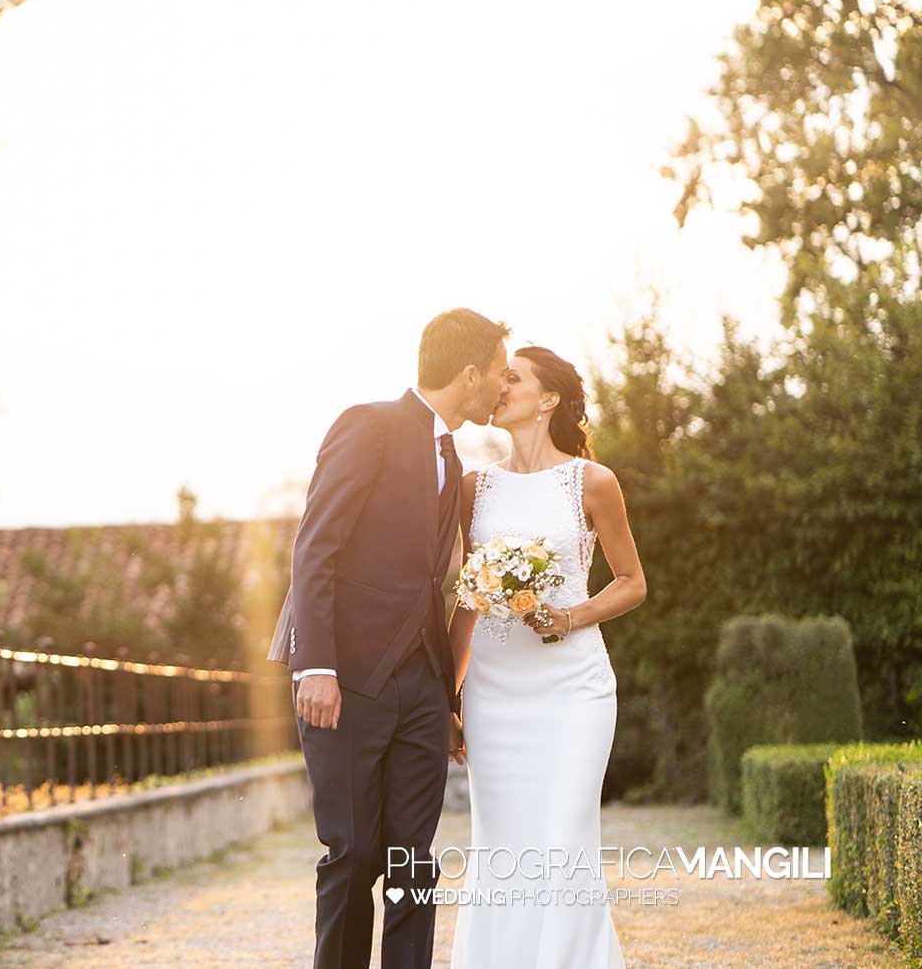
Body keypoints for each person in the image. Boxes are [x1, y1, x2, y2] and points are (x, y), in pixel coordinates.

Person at [267, 307, 511, 969]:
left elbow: (434, 581)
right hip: (347, 680)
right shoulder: (367, 425)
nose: (503, 385)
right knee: (352, 854)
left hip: (423, 689)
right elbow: (315, 548)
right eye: (499, 372)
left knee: (413, 861)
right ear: (469, 375)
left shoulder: (452, 454)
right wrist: (315, 666)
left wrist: (445, 697)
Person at [447, 345, 647, 967]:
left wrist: (570, 616)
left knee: (564, 840)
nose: (500, 387)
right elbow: (466, 602)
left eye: (514, 378)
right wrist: (447, 697)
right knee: (501, 846)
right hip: (493, 692)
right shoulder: (474, 488)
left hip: (573, 688)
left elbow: (632, 582)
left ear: (549, 398)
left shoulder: (593, 482)